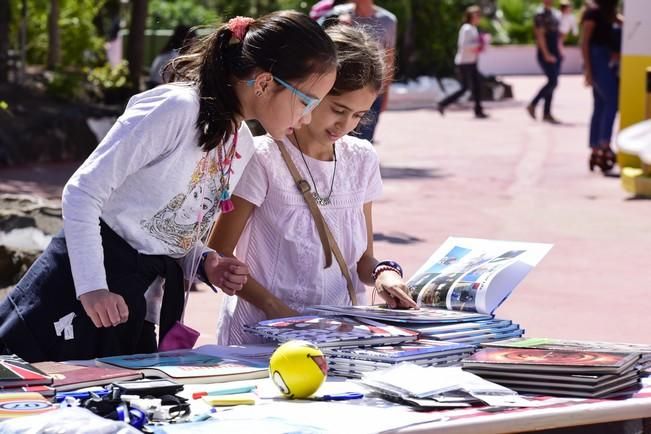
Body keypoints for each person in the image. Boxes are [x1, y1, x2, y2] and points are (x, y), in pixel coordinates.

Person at [0, 11, 338, 362]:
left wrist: (206, 261)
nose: (308, 118)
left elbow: (170, 224)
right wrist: (93, 288)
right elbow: (83, 191)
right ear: (265, 83)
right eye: (307, 101)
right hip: (74, 292)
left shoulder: (241, 143)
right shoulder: (176, 109)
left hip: (132, 305)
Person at [208, 25, 417, 345]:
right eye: (337, 110)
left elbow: (362, 259)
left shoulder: (361, 158)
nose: (344, 125)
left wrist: (384, 276)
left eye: (358, 116)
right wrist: (276, 309)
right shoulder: (262, 156)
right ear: (312, 91)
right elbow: (218, 254)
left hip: (339, 335)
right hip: (262, 335)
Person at [323, 0, 397, 143]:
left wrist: (384, 92)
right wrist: (339, 25)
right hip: (341, 87)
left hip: (371, 90)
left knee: (363, 139)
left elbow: (389, 58)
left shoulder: (388, 20)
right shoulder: (339, 13)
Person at [581, 0, 622, 173]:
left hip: (606, 57)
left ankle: (595, 146)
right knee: (612, 101)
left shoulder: (607, 13)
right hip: (597, 59)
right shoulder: (592, 13)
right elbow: (585, 43)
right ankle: (604, 142)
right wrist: (588, 70)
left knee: (600, 105)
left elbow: (621, 21)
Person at [437, 5, 488, 119]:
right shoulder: (466, 28)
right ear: (470, 16)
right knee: (465, 88)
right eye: (476, 15)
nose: (478, 18)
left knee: (477, 85)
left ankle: (478, 110)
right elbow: (463, 46)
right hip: (464, 63)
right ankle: (442, 103)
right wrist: (478, 45)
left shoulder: (474, 29)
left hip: (472, 61)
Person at [527, 0, 563, 124]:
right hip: (546, 52)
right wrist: (546, 53)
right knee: (553, 81)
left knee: (552, 83)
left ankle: (547, 113)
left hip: (555, 51)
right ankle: (533, 104)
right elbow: (540, 35)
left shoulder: (555, 14)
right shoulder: (540, 14)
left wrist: (559, 51)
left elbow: (558, 34)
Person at [147, 24, 197, 89]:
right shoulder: (174, 56)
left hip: (155, 86)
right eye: (193, 40)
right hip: (159, 87)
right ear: (187, 40)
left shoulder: (168, 52)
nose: (195, 43)